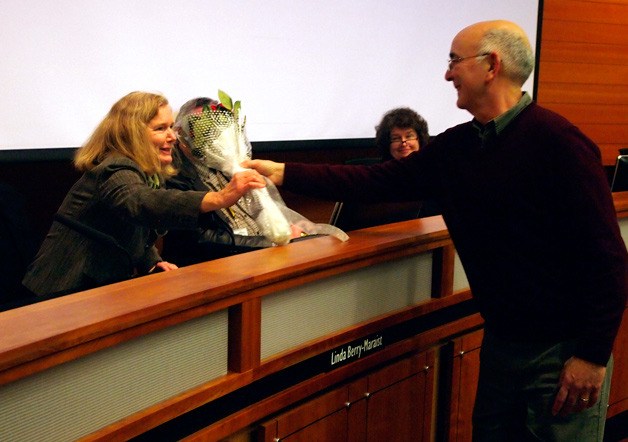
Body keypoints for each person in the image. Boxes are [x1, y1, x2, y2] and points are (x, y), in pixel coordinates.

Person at [243, 20, 628, 441]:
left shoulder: (560, 143)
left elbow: (608, 260)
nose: (447, 74)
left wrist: (592, 356)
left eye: (454, 62)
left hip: (563, 352)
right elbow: (375, 182)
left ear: (491, 65)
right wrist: (282, 171)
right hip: (502, 343)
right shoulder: (458, 147)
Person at [22, 91, 265, 298]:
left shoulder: (149, 172)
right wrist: (218, 198)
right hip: (60, 292)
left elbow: (135, 228)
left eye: (171, 127)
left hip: (95, 294)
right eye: (161, 128)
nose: (172, 136)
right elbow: (139, 203)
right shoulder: (114, 168)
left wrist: (151, 261)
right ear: (132, 133)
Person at [163, 96, 348, 266]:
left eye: (220, 128)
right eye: (204, 130)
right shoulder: (174, 175)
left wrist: (287, 231)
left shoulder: (230, 165)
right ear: (181, 134)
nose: (214, 136)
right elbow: (200, 240)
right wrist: (273, 242)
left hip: (261, 257)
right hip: (218, 267)